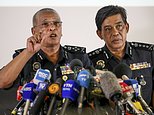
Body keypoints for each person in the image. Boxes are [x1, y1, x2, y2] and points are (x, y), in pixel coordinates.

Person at [0, 8, 94, 114]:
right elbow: (2, 82)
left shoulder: (78, 57)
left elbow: (93, 91)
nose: (52, 28)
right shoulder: (24, 57)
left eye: (56, 23)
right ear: (34, 31)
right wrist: (29, 52)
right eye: (45, 24)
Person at [88, 5, 154, 110]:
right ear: (100, 34)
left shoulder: (148, 54)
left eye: (119, 26)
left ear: (126, 27)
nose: (115, 33)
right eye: (108, 29)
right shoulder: (90, 61)